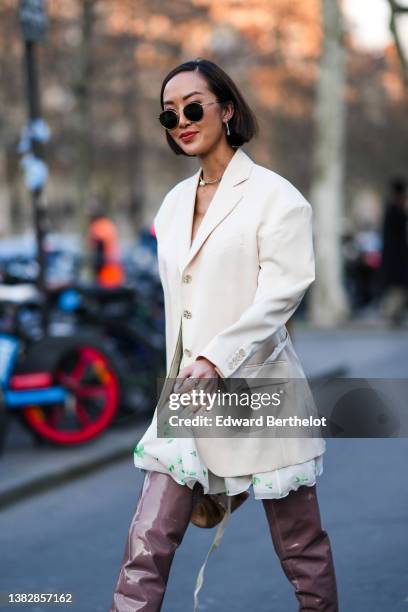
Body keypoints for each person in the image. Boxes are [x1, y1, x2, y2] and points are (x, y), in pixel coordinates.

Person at [110, 58, 339, 611]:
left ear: (228, 109)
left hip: (259, 392)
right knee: (146, 546)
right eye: (170, 115)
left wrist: (216, 359)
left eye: (193, 107)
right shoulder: (170, 207)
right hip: (186, 396)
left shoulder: (276, 197)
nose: (182, 121)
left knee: (301, 547)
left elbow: (282, 293)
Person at [379, 177, 408, 326]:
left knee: (395, 288)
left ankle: (394, 314)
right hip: (397, 258)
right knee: (397, 289)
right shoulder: (396, 210)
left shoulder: (390, 209)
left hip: (393, 257)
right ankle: (393, 315)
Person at [87, 207, 124, 288]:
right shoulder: (109, 224)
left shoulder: (98, 227)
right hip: (115, 268)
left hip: (106, 269)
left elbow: (99, 249)